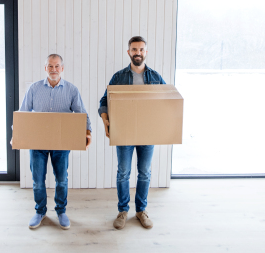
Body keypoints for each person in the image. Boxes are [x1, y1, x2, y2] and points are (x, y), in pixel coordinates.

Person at [17, 54, 92, 230]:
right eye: (50, 66)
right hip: (38, 142)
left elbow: (82, 114)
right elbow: (23, 114)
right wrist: (17, 134)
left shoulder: (72, 90)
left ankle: (61, 211)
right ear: (45, 68)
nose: (54, 69)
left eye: (57, 66)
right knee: (37, 180)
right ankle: (40, 211)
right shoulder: (34, 89)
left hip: (61, 142)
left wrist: (88, 133)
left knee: (61, 179)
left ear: (62, 68)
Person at [98, 36, 166, 230]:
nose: (138, 53)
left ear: (146, 52)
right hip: (124, 132)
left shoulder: (155, 77)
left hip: (147, 133)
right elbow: (104, 101)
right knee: (123, 173)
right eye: (134, 49)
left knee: (144, 173)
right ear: (128, 52)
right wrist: (105, 120)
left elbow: (166, 102)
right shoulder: (119, 77)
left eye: (141, 49)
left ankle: (141, 211)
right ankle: (123, 211)